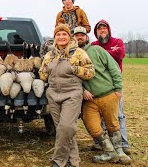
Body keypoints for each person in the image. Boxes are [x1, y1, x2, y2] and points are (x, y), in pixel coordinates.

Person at [72, 26, 132, 164]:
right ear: (73, 39)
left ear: (86, 37)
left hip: (108, 94)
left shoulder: (97, 50)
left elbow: (113, 68)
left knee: (113, 124)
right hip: (89, 100)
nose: (79, 37)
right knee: (91, 124)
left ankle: (120, 151)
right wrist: (82, 90)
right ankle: (109, 151)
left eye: (82, 35)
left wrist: (118, 88)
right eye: (76, 36)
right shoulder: (73, 56)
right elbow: (71, 78)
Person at [39, 24, 94, 167]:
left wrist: (72, 68)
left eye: (64, 34)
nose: (61, 37)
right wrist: (46, 71)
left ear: (69, 36)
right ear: (55, 37)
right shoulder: (49, 55)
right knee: (63, 130)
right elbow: (42, 74)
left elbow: (90, 72)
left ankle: (58, 160)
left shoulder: (79, 53)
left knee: (66, 127)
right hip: (53, 94)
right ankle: (73, 161)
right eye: (58, 35)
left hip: (72, 94)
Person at [91, 20, 130, 155]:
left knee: (118, 115)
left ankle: (124, 145)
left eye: (104, 28)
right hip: (100, 86)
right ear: (96, 32)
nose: (102, 30)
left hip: (114, 84)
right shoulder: (93, 45)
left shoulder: (117, 42)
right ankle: (103, 144)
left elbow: (120, 54)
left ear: (109, 30)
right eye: (99, 29)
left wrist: (102, 53)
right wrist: (110, 52)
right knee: (101, 115)